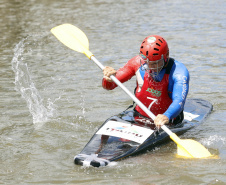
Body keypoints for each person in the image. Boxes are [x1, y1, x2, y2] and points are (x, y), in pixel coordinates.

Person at [102, 35, 189, 128]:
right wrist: (108, 78)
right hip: (138, 116)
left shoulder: (179, 72)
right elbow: (108, 86)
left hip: (166, 122)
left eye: (155, 63)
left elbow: (179, 101)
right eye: (147, 63)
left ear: (166, 55)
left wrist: (166, 116)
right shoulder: (137, 62)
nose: (150, 67)